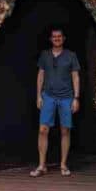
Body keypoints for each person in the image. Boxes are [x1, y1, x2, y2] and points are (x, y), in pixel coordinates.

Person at [30, 28, 80, 177]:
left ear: (63, 39)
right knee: (43, 130)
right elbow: (40, 75)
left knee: (65, 130)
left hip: (66, 97)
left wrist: (76, 98)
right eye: (54, 37)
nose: (57, 39)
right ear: (51, 39)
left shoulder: (71, 56)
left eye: (59, 36)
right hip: (48, 96)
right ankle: (41, 165)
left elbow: (75, 76)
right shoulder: (45, 55)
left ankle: (63, 165)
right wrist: (39, 96)